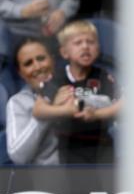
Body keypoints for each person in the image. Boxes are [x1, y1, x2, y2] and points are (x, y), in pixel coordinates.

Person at [32, 19, 120, 164]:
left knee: (106, 186)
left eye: (90, 42)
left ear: (98, 48)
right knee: (77, 185)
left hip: (102, 145)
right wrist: (65, 110)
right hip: (69, 146)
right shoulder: (56, 78)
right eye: (78, 43)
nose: (85, 46)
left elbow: (122, 105)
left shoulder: (104, 76)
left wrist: (96, 114)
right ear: (64, 52)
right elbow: (38, 109)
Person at [5, 37, 59, 165]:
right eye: (28, 63)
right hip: (44, 181)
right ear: (21, 73)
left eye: (41, 58)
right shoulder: (18, 103)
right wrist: (42, 116)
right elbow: (18, 156)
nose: (37, 67)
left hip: (85, 175)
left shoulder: (72, 88)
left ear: (52, 60)